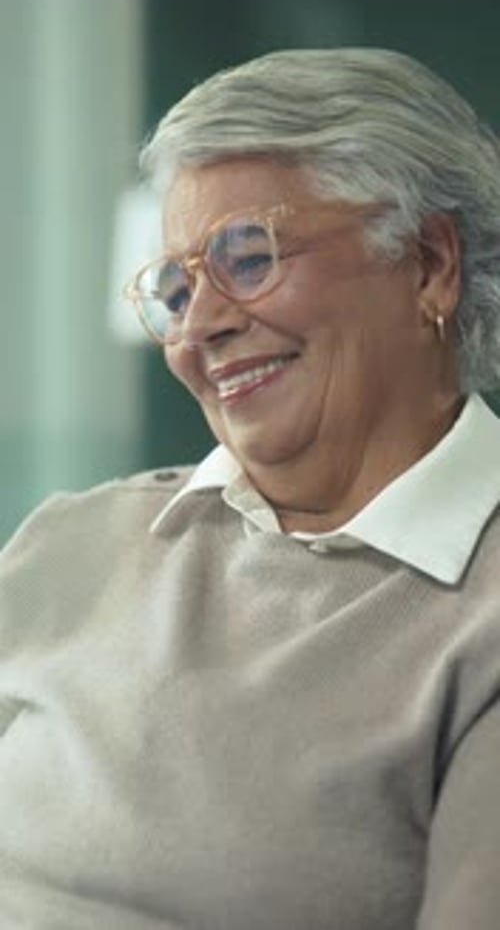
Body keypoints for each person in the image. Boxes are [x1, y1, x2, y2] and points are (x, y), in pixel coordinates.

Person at [2, 47, 500, 930]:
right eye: (175, 288)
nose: (200, 325)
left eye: (248, 257)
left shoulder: (480, 620)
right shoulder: (71, 539)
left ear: (429, 263)